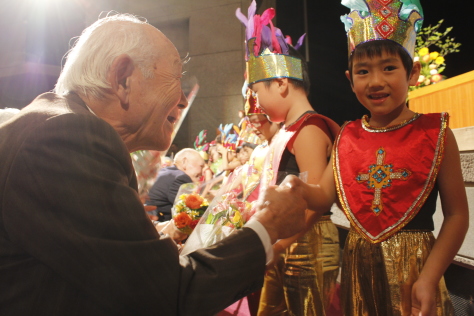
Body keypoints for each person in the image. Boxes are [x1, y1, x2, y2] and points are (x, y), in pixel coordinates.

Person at [0, 13, 312, 316]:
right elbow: (170, 295)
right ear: (122, 79)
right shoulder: (67, 139)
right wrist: (269, 225)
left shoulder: (53, 123)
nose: (184, 100)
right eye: (175, 80)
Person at [293, 1, 469, 315]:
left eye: (389, 68)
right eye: (363, 71)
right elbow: (321, 197)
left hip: (416, 269)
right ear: (350, 79)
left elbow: (456, 215)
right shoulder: (346, 137)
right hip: (358, 268)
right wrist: (293, 188)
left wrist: (430, 277)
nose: (375, 81)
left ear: (412, 72)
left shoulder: (436, 133)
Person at [236, 2, 341, 315]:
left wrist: (278, 245)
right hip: (285, 242)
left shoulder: (309, 129)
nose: (256, 103)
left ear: (281, 83)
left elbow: (315, 201)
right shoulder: (288, 130)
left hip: (307, 246)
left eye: (257, 93)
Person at [146, 148, 205, 221]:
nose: (202, 173)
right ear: (184, 161)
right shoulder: (180, 178)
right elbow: (191, 211)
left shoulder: (166, 171)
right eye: (201, 166)